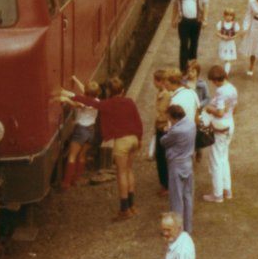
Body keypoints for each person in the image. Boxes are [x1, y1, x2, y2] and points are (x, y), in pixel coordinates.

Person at [64, 76, 142, 221]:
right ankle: (132, 206)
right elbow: (137, 120)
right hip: (134, 139)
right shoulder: (129, 101)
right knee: (129, 171)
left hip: (122, 142)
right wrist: (140, 139)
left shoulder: (109, 104)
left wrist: (71, 95)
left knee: (121, 174)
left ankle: (124, 209)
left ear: (108, 92)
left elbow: (89, 101)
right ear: (123, 91)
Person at [202, 65, 237, 203]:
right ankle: (227, 190)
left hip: (220, 126)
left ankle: (217, 194)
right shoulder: (233, 88)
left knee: (216, 160)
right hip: (230, 124)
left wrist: (209, 109)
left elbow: (220, 112)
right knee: (223, 158)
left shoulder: (221, 92)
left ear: (216, 80)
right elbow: (235, 107)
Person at [160, 104, 196, 235]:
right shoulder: (191, 124)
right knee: (187, 196)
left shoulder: (176, 130)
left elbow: (164, 142)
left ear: (174, 118)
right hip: (188, 163)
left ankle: (177, 230)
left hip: (176, 165)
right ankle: (188, 228)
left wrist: (167, 130)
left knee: (176, 198)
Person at [59, 77, 100, 190]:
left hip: (81, 130)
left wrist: (63, 97)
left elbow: (71, 100)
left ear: (86, 93)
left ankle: (66, 183)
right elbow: (86, 91)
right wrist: (76, 79)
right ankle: (76, 179)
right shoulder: (97, 101)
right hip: (91, 131)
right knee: (82, 156)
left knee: (72, 156)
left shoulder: (82, 102)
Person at [172, 0, 209, 75]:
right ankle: (183, 68)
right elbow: (175, 4)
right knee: (183, 43)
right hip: (183, 20)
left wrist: (205, 19)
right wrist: (173, 20)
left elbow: (206, 4)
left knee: (194, 43)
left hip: (196, 20)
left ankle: (192, 67)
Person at [153, 69, 173, 196]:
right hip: (161, 128)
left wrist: (157, 120)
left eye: (155, 80)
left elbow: (163, 114)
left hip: (164, 129)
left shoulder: (165, 95)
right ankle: (166, 184)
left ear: (159, 81)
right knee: (161, 157)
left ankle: (166, 185)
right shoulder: (162, 93)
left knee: (162, 158)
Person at [214, 7, 242, 76]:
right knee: (224, 57)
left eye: (230, 15)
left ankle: (226, 73)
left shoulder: (235, 24)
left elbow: (238, 33)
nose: (228, 17)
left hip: (230, 43)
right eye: (227, 15)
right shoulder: (221, 23)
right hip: (223, 43)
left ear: (233, 17)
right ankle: (225, 70)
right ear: (224, 15)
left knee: (228, 58)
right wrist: (222, 36)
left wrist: (232, 37)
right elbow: (217, 32)